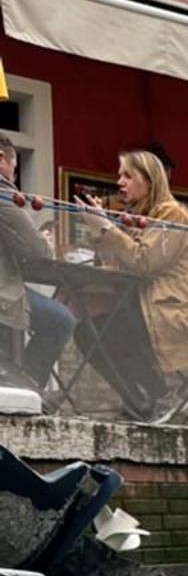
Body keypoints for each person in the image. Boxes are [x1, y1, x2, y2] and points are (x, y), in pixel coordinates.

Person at [71, 150, 188, 422]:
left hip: (181, 312)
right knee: (92, 333)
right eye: (120, 175)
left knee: (99, 333)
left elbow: (144, 261)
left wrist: (106, 227)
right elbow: (129, 258)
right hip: (159, 308)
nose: (120, 182)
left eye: (128, 176)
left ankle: (159, 399)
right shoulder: (150, 215)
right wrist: (103, 227)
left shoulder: (171, 213)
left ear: (150, 182)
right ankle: (143, 402)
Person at [0, 133, 75, 391]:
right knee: (60, 319)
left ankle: (20, 384)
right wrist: (45, 242)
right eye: (14, 169)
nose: (13, 176)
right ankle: (26, 389)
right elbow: (37, 251)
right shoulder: (1, 191)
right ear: (2, 159)